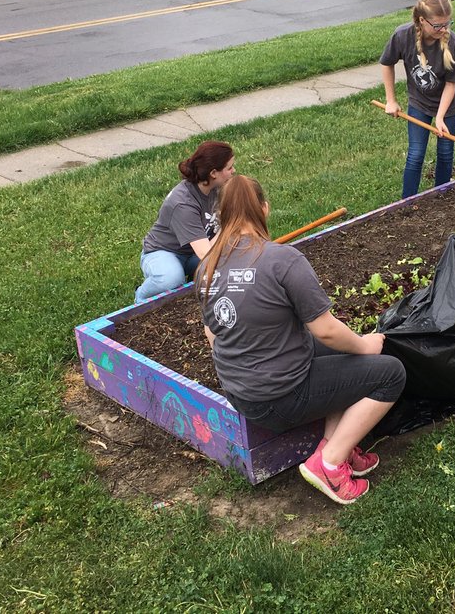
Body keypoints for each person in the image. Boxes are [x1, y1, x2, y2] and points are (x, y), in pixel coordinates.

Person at [198, 175, 406, 504]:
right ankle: (330, 465)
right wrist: (366, 345)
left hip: (240, 393)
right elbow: (325, 329)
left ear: (220, 217)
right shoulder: (281, 260)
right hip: (279, 398)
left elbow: (213, 335)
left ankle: (334, 445)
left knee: (337, 357)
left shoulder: (207, 267)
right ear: (264, 209)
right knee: (390, 372)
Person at [380, 0, 455, 198]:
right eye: (437, 25)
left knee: (445, 153)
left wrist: (440, 117)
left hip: (448, 105)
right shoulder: (402, 36)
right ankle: (407, 202)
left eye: (447, 23)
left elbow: (452, 84)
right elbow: (386, 63)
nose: (443, 29)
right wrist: (391, 100)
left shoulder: (452, 42)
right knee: (416, 154)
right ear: (421, 20)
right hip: (419, 102)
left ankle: (441, 196)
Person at [134, 140, 236, 304]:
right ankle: (141, 297)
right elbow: (206, 255)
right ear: (213, 173)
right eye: (229, 168)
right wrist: (228, 226)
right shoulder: (183, 203)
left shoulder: (217, 187)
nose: (233, 171)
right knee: (172, 279)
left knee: (232, 256)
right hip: (164, 251)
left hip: (194, 251)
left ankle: (191, 277)